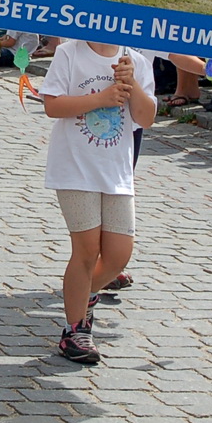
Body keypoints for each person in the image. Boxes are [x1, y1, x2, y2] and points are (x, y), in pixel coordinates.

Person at [40, 36, 156, 365]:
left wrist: (132, 84)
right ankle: (75, 329)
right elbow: (52, 105)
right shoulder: (69, 53)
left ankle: (83, 296)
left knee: (119, 255)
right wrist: (101, 98)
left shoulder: (135, 60)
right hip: (75, 169)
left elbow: (146, 118)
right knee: (87, 250)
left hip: (116, 172)